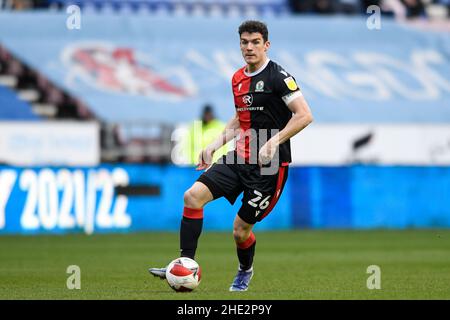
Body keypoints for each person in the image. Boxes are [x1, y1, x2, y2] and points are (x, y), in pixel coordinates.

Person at [149, 20, 313, 292]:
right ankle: (185, 264)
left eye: (255, 42)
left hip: (269, 165)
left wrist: (274, 141)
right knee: (192, 196)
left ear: (266, 45)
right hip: (240, 156)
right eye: (244, 42)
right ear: (240, 45)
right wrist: (214, 144)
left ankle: (245, 269)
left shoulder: (278, 77)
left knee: (240, 231)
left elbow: (305, 115)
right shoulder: (237, 78)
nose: (249, 47)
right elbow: (240, 118)